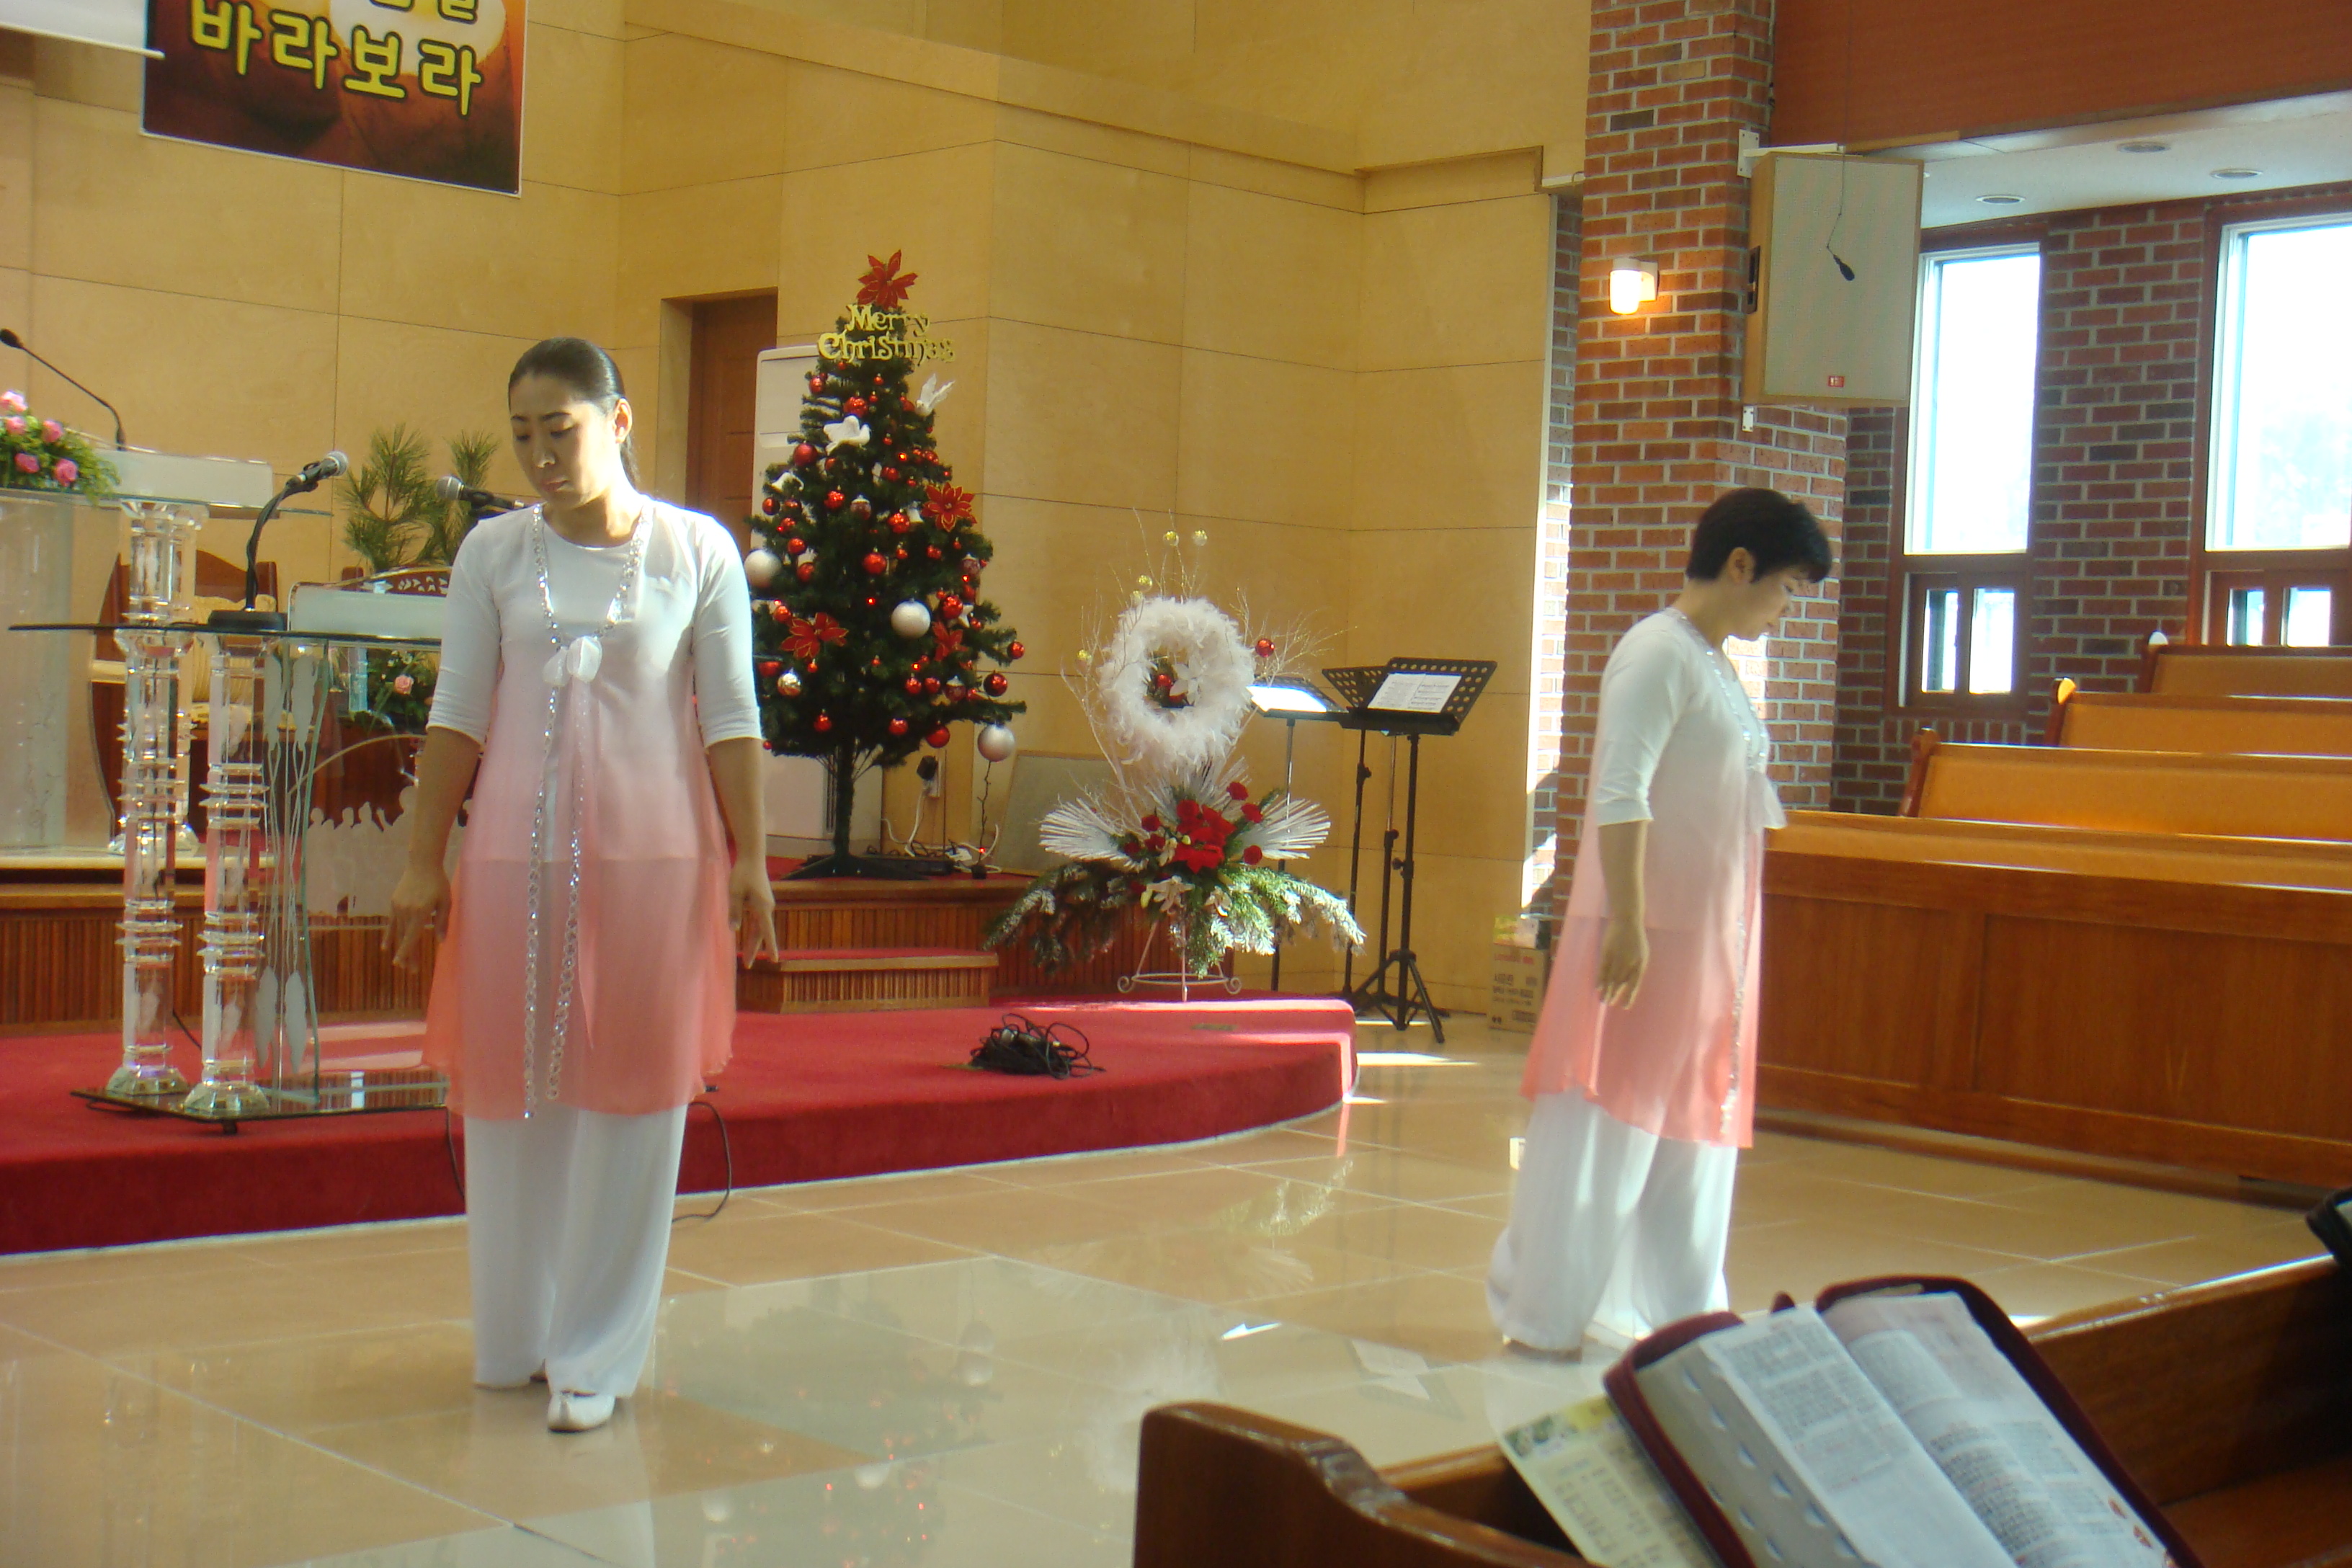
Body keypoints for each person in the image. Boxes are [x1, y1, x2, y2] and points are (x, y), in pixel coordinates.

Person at [388, 337, 778, 1433]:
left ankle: (598, 1355)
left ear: (619, 420)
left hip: (658, 861)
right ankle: (518, 1335)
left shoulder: (696, 549)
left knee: (633, 1098)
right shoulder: (494, 553)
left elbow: (731, 715)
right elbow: (457, 713)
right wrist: (423, 860)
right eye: (522, 435)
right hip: (513, 861)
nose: (541, 456)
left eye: (559, 430)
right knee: (513, 1093)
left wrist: (752, 856)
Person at [1487, 486, 1834, 1357]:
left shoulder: (1712, 662)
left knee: (1688, 1125)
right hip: (1652, 932)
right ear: (1740, 565)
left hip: (1707, 939)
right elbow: (1620, 790)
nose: (1787, 610)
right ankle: (1547, 1310)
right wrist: (1629, 921)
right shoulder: (1657, 652)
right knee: (1610, 1123)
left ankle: (1680, 1315)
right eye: (1787, 588)